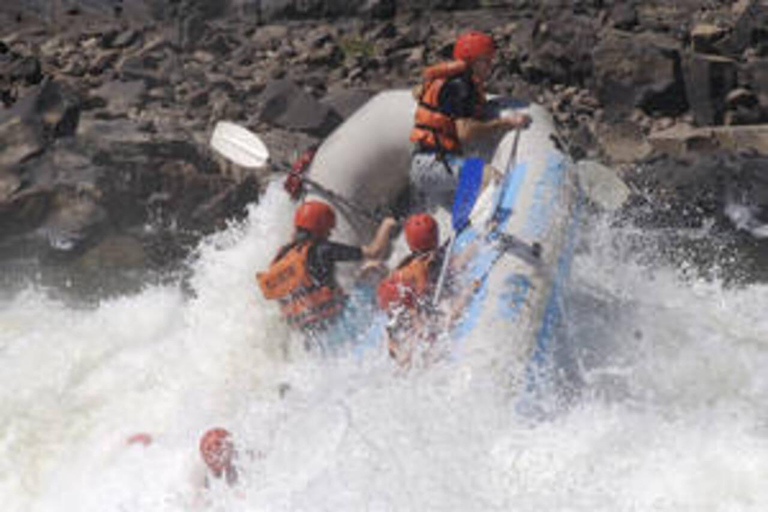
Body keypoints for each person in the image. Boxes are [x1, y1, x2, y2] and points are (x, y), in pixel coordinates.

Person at [410, 30, 532, 210]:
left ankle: (467, 231)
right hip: (433, 164)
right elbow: (465, 133)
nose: (490, 66)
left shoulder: (455, 82)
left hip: (432, 162)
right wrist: (506, 123)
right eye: (486, 60)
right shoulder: (459, 86)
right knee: (490, 177)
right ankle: (490, 233)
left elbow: (420, 95)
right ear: (473, 60)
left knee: (465, 209)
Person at [257, 200, 397, 335]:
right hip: (338, 329)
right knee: (372, 268)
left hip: (307, 339)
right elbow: (375, 251)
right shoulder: (322, 249)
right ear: (321, 227)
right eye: (329, 229)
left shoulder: (281, 256)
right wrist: (387, 224)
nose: (330, 234)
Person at [376, 213, 445, 364]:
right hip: (407, 307)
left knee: (400, 344)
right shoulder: (420, 267)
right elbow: (423, 294)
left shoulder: (405, 263)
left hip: (393, 310)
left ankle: (398, 355)